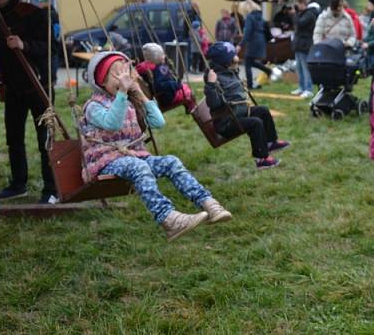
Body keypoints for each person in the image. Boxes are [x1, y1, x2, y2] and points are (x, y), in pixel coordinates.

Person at [82, 51, 230, 240]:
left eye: (126, 72)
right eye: (117, 74)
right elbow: (113, 123)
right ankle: (168, 219)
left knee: (171, 162)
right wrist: (121, 93)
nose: (124, 78)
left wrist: (140, 95)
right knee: (139, 166)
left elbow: (159, 123)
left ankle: (209, 203)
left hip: (132, 156)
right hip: (106, 161)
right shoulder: (94, 106)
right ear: (102, 82)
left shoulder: (127, 101)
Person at [0, 0, 57, 204]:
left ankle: (52, 188)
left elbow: (50, 47)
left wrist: (24, 44)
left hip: (38, 84)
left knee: (45, 139)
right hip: (12, 86)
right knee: (13, 137)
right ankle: (18, 184)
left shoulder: (33, 14)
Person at [204, 42, 289, 169]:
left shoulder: (229, 71)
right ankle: (261, 159)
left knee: (263, 111)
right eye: (232, 56)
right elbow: (214, 104)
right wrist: (211, 84)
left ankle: (271, 142)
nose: (235, 58)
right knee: (255, 123)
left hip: (239, 113)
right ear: (225, 61)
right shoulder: (214, 78)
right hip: (226, 123)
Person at [136, 43, 196, 112]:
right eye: (162, 55)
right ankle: (192, 109)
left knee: (185, 87)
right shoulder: (159, 69)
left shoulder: (146, 67)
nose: (164, 56)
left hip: (162, 97)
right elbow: (160, 85)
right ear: (157, 58)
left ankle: (190, 106)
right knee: (188, 92)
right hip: (168, 98)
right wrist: (176, 84)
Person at [239, 0, 277, 89]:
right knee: (250, 62)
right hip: (261, 41)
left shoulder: (249, 17)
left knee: (247, 63)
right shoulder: (260, 16)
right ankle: (267, 70)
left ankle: (250, 85)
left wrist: (240, 44)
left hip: (253, 42)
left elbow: (247, 32)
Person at [291, 0, 318, 98]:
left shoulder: (309, 14)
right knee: (299, 67)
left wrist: (295, 14)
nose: (297, 6)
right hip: (299, 43)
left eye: (298, 4)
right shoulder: (303, 13)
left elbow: (299, 23)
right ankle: (301, 87)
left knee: (305, 67)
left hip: (305, 44)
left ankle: (309, 89)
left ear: (303, 4)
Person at [37, 0, 60, 84]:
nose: (39, 3)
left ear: (46, 2)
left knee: (52, 60)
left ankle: (52, 79)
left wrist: (52, 37)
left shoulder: (51, 13)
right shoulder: (44, 12)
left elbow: (56, 27)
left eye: (41, 2)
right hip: (46, 42)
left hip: (50, 42)